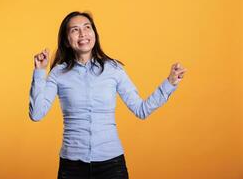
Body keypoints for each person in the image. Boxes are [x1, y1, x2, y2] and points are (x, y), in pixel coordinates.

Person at [29, 11, 187, 179]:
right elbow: (37, 114)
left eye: (87, 27)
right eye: (75, 30)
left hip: (111, 166)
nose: (82, 34)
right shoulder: (57, 73)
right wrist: (40, 72)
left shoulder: (113, 69)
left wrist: (169, 83)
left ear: (94, 34)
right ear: (66, 40)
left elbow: (142, 109)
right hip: (72, 167)